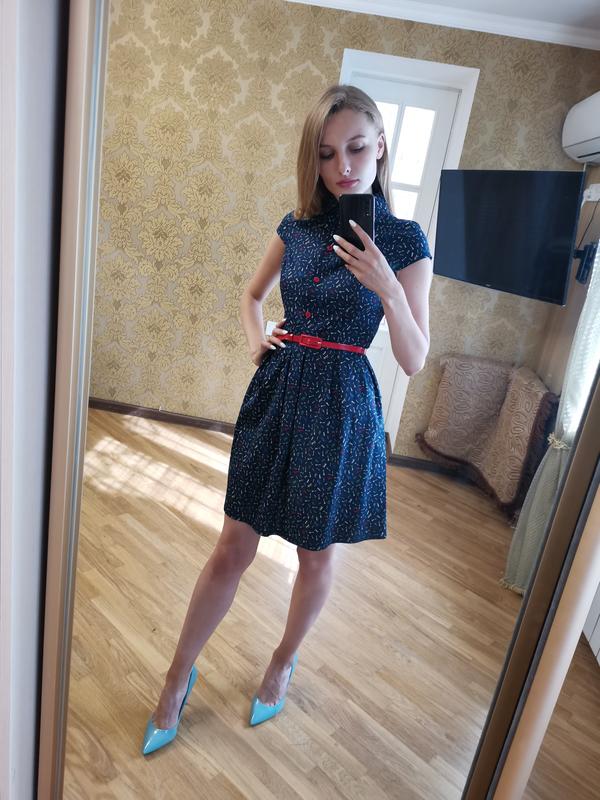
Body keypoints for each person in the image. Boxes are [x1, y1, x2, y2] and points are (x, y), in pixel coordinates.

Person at [142, 84, 433, 755]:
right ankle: (178, 675)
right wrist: (257, 339)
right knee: (232, 546)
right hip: (278, 393)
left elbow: (414, 358)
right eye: (326, 155)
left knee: (315, 553)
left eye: (356, 148)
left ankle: (282, 660)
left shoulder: (404, 240)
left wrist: (388, 287)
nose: (343, 167)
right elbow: (252, 296)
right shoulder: (297, 228)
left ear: (380, 145)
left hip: (342, 407)